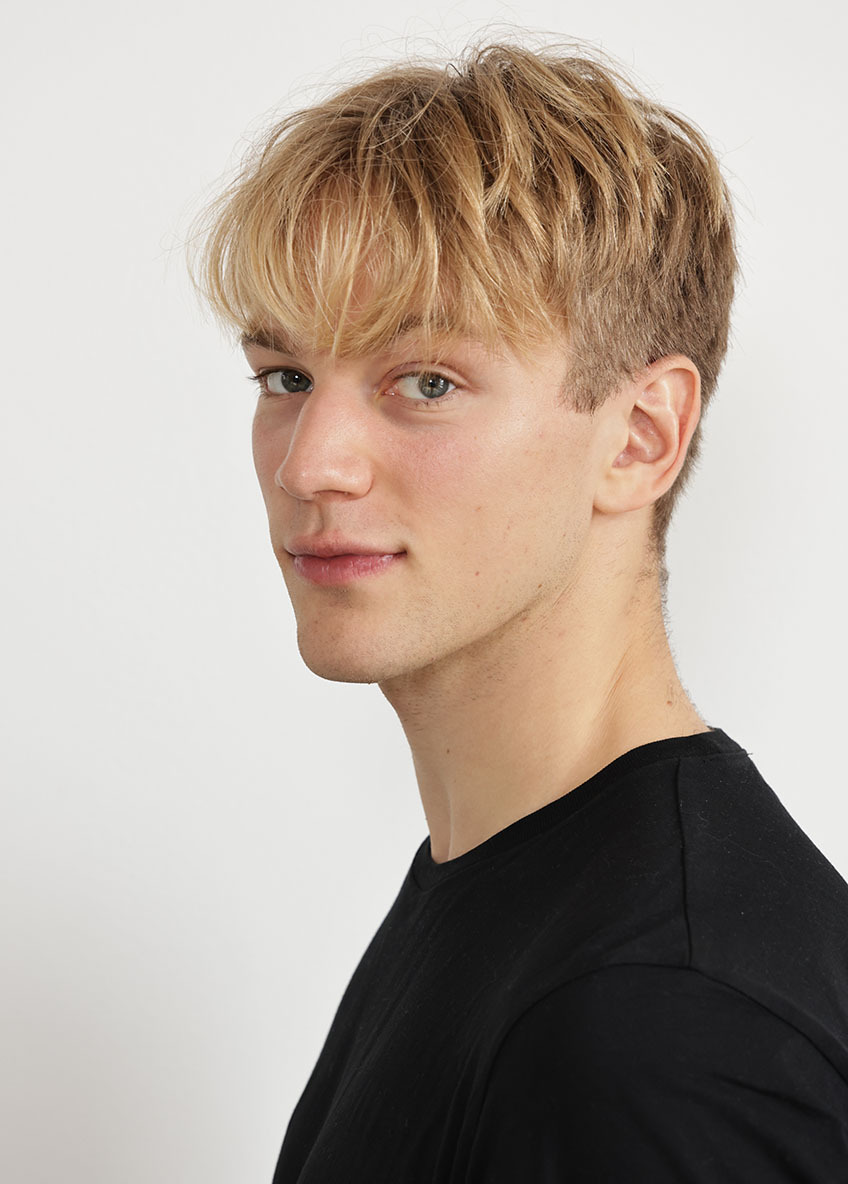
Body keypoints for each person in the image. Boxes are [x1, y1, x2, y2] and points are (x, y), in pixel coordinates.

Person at [192, 37, 848, 1181]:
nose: (309, 465)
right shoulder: (511, 884)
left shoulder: (656, 1024)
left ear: (637, 437)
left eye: (425, 381)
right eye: (285, 376)